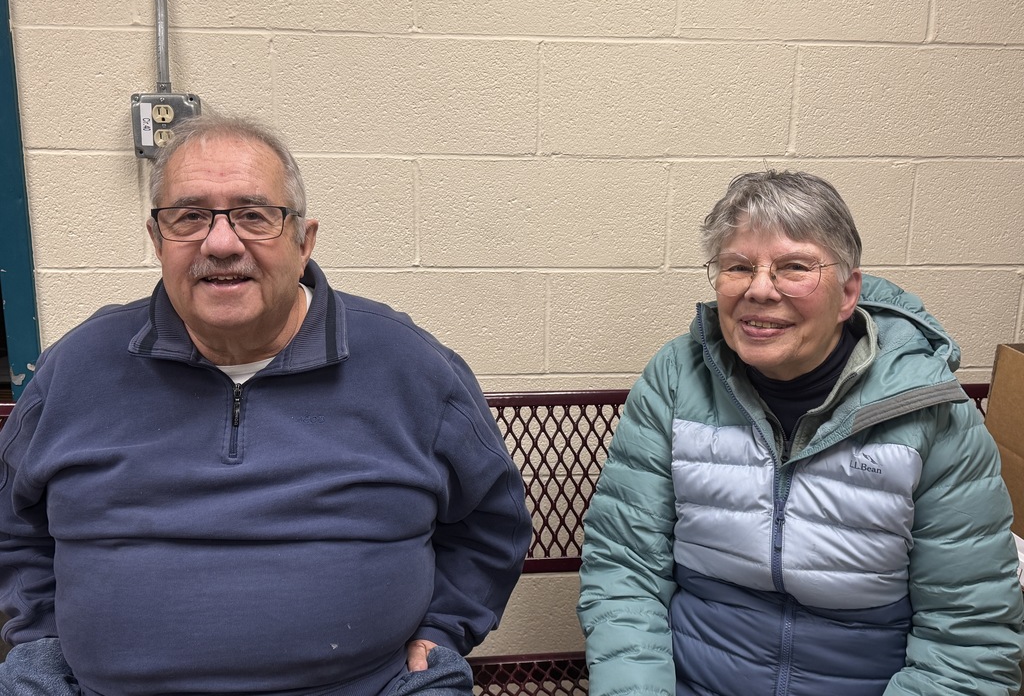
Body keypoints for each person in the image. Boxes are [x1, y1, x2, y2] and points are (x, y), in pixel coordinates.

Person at [0, 115, 531, 696]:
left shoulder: (410, 366)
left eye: (254, 215)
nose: (221, 243)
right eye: (190, 216)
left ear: (304, 242)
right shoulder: (77, 368)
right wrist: (42, 638)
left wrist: (444, 626)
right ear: (158, 242)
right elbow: (14, 526)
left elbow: (490, 520)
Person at [577, 170, 1024, 695]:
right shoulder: (676, 381)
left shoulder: (930, 410)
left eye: (794, 267)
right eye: (738, 266)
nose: (760, 290)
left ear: (847, 292)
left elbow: (968, 637)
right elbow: (624, 571)